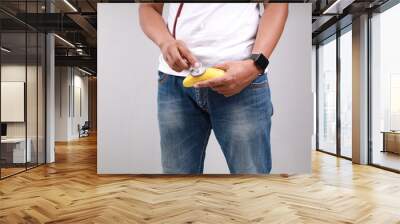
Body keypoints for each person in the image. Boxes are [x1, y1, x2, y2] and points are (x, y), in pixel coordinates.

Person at [139, 3, 288, 174]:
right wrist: (165, 43)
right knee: (177, 183)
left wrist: (256, 65)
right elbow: (148, 7)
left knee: (252, 181)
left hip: (242, 79)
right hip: (176, 82)